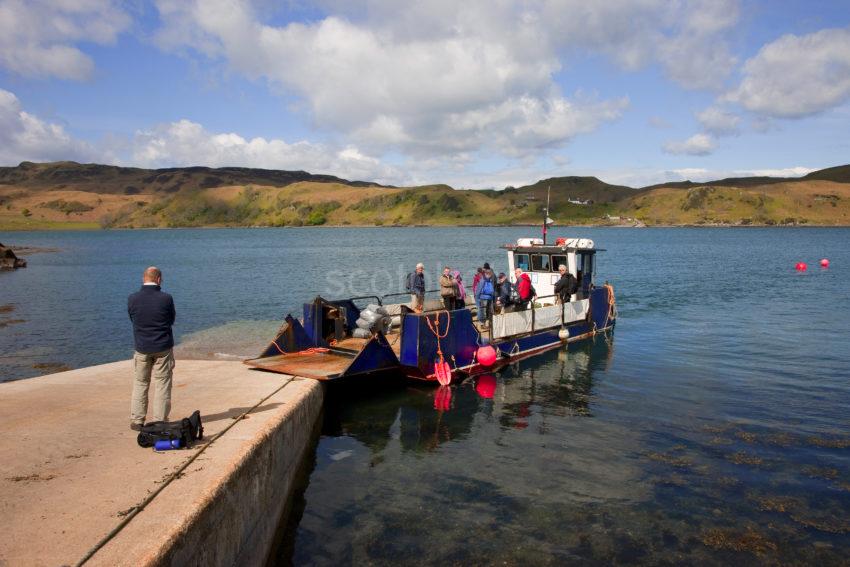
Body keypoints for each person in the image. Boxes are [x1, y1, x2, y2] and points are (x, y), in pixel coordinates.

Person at [128, 266, 176, 431]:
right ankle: (160, 420)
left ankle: (137, 419)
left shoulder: (132, 298)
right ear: (159, 279)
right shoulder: (166, 298)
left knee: (140, 383)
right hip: (162, 346)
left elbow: (132, 319)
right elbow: (171, 320)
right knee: (163, 383)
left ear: (144, 279)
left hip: (142, 347)